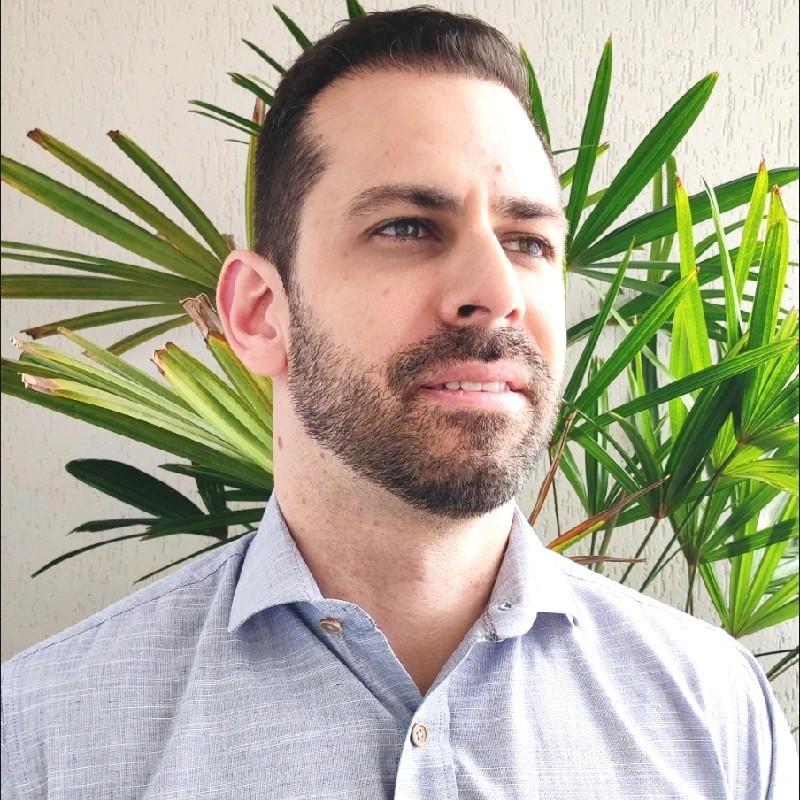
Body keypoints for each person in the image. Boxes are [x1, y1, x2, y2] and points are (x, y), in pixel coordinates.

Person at [2, 7, 797, 799]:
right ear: (259, 314)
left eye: (529, 242)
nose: (496, 292)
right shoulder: (41, 736)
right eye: (409, 228)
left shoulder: (716, 713)